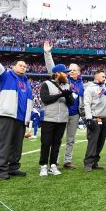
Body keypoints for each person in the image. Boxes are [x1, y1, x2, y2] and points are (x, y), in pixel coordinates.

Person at [0, 36, 33, 180]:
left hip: (21, 118)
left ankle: (13, 168)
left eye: (25, 66)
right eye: (20, 65)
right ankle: (1, 171)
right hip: (7, 116)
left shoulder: (27, 82)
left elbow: (28, 102)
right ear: (13, 66)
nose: (23, 67)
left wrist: (27, 119)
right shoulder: (6, 76)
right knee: (5, 144)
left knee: (17, 146)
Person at [44, 41, 84, 170]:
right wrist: (47, 54)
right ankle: (54, 161)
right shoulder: (64, 81)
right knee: (57, 139)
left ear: (78, 72)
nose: (71, 72)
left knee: (70, 139)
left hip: (74, 114)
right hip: (62, 112)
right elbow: (52, 70)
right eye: (69, 70)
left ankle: (67, 161)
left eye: (73, 70)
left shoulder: (83, 84)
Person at [39, 64, 74, 176]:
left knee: (57, 143)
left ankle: (53, 165)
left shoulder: (66, 85)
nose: (67, 74)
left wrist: (68, 96)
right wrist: (61, 94)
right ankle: (43, 165)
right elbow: (45, 99)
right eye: (65, 72)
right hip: (49, 118)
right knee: (46, 143)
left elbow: (71, 103)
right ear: (58, 73)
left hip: (62, 119)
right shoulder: (46, 84)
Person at [83, 70, 106, 172]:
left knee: (101, 142)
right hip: (95, 118)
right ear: (97, 77)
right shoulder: (89, 89)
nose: (104, 78)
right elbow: (87, 104)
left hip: (104, 118)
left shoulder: (105, 86)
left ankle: (95, 162)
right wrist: (89, 118)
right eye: (102, 76)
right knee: (93, 141)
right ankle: (88, 163)